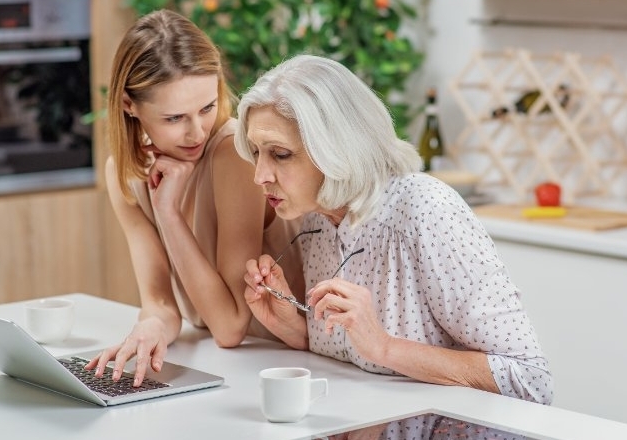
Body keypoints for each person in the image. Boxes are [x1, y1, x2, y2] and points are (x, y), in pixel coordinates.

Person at [235, 54, 553, 408]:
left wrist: (385, 346)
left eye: (279, 154)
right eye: (255, 152)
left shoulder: (425, 208)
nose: (259, 175)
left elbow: (530, 380)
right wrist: (291, 327)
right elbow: (357, 357)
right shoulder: (317, 221)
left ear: (337, 148)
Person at [85, 9, 303, 386]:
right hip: (225, 365)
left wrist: (168, 211)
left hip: (282, 362)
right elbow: (159, 300)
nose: (196, 132)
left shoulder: (234, 153)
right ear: (128, 105)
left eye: (207, 107)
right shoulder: (126, 173)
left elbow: (231, 325)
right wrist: (151, 328)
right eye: (174, 118)